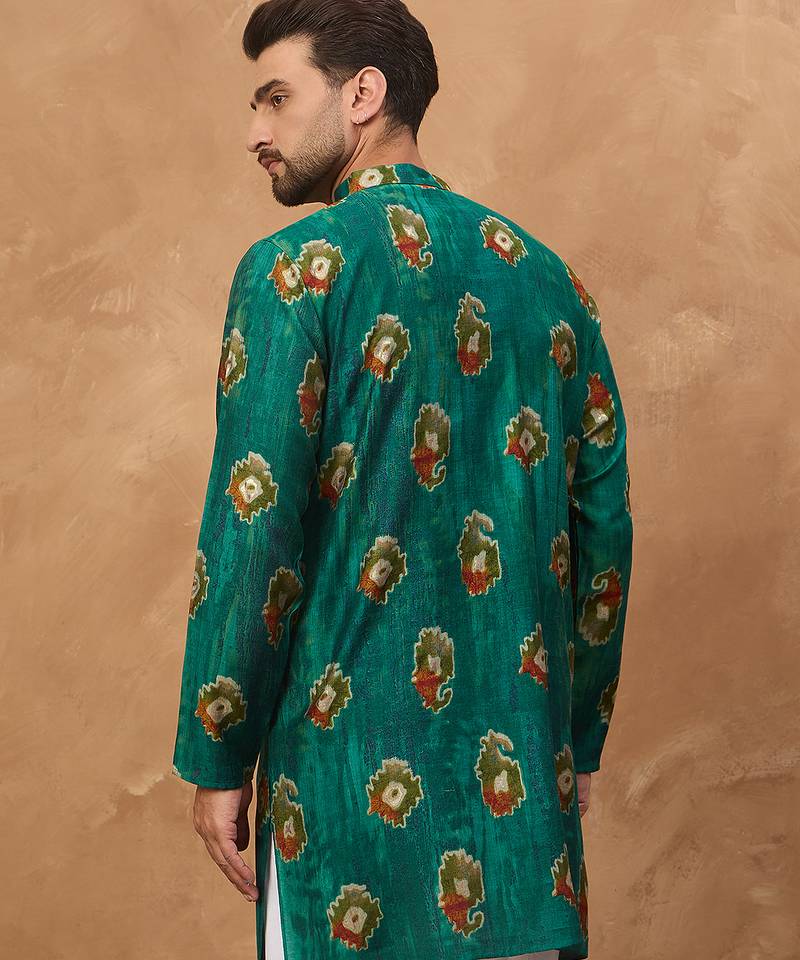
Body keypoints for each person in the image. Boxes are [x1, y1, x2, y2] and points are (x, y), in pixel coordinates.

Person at [170, 2, 634, 959]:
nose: (254, 131)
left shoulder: (295, 272)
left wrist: (217, 750)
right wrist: (576, 739)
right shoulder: (549, 281)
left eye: (276, 98)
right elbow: (604, 531)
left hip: (345, 821)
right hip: (525, 835)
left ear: (363, 95)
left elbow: (254, 533)